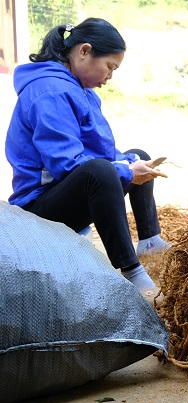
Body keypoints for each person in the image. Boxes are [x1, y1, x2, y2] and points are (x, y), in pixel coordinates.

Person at [4, 18, 170, 293]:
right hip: (38, 211)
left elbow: (101, 152)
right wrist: (126, 172)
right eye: (110, 67)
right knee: (103, 171)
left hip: (67, 191)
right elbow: (66, 164)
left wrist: (129, 164)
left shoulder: (79, 90)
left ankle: (149, 241)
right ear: (84, 51)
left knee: (137, 156)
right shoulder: (50, 92)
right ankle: (133, 274)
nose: (110, 77)